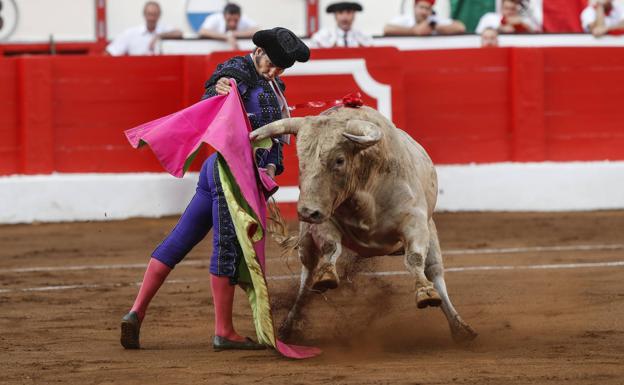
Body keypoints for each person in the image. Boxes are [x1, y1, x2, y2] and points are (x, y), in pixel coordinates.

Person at [120, 27, 310, 351]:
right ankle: (223, 331)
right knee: (227, 248)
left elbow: (277, 139)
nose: (275, 71)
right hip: (228, 175)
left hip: (229, 174)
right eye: (273, 64)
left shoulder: (276, 86)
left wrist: (271, 167)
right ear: (260, 51)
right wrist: (217, 89)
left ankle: (136, 311)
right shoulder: (236, 69)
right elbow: (210, 99)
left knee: (181, 239)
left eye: (281, 67)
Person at [106, 1, 182, 56]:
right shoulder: (131, 33)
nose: (152, 18)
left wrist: (159, 36)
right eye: (149, 14)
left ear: (159, 15)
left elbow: (179, 33)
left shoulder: (164, 29)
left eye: (155, 14)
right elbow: (110, 52)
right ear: (144, 14)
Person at [384, 0, 465, 36]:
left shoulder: (434, 20)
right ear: (414, 7)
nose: (424, 12)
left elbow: (460, 27)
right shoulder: (406, 19)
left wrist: (434, 27)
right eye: (421, 7)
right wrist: (414, 31)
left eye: (427, 9)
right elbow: (387, 29)